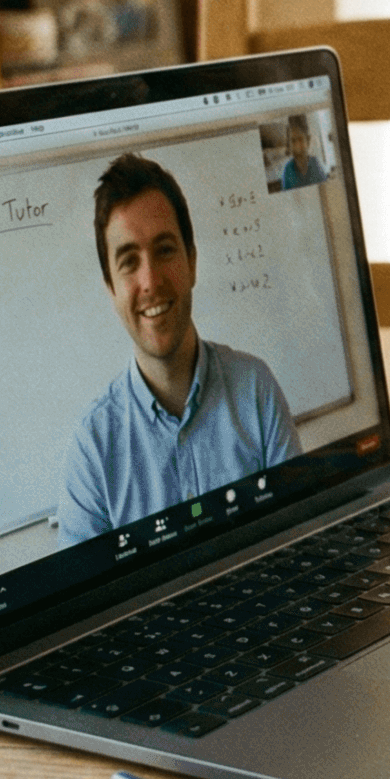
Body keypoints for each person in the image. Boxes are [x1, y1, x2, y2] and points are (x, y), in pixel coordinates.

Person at [59, 153, 297, 543]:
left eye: (165, 250)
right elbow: (86, 601)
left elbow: (300, 536)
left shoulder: (256, 391)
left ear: (192, 260)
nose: (150, 280)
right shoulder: (93, 450)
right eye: (129, 261)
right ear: (111, 288)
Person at [278, 115, 328, 191]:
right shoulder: (287, 170)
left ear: (308, 140)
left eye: (300, 139)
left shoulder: (316, 164)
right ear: (289, 145)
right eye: (293, 141)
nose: (297, 145)